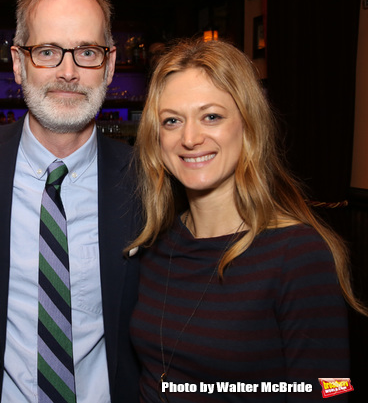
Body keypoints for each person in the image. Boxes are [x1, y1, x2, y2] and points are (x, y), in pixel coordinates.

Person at [128, 38, 365, 402]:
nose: (190, 138)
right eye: (172, 121)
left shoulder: (298, 254)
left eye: (211, 116)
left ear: (248, 125)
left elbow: (331, 391)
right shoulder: (157, 245)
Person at [0, 0, 140, 403]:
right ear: (18, 63)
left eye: (87, 51)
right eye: (48, 51)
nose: (68, 72)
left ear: (109, 65)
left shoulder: (147, 181)